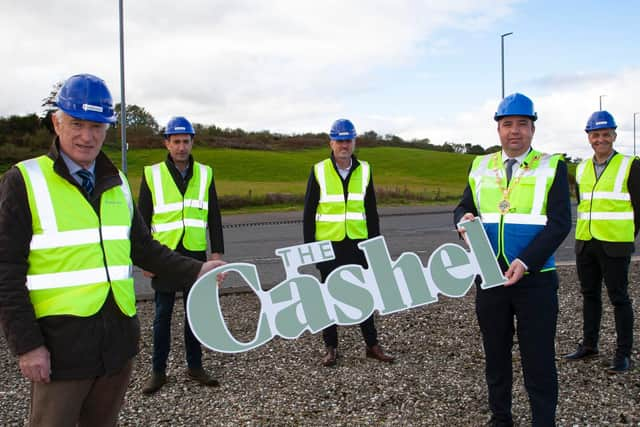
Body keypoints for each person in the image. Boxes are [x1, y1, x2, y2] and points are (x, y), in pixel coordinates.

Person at [0, 74, 224, 426]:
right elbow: (6, 270)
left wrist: (196, 270)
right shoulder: (25, 180)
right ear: (57, 122)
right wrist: (27, 345)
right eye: (76, 124)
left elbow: (143, 248)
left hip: (117, 344)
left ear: (108, 129)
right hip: (61, 348)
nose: (87, 136)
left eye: (96, 126)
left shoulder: (118, 183)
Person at [454, 93, 571, 426]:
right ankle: (500, 417)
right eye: (508, 124)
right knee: (495, 355)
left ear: (533, 129)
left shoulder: (553, 166)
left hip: (535, 279)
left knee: (539, 359)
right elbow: (464, 207)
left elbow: (560, 222)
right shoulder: (480, 165)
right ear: (498, 129)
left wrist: (525, 262)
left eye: (522, 124)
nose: (514, 131)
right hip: (490, 277)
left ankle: (542, 421)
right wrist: (462, 222)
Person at [138, 116, 224, 394]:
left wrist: (217, 253)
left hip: (196, 256)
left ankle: (195, 366)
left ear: (192, 142)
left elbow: (214, 217)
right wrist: (145, 260)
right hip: (163, 256)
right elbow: (142, 220)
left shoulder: (205, 173)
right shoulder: (152, 174)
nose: (181, 147)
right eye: (176, 141)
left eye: (186, 141)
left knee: (194, 314)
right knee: (162, 316)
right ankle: (158, 371)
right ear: (167, 142)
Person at [303, 118, 394, 367]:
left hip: (357, 243)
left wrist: (374, 247)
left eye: (348, 140)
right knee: (327, 296)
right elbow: (309, 212)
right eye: (340, 141)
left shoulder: (364, 169)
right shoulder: (319, 169)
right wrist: (310, 250)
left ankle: (372, 345)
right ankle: (331, 347)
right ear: (331, 143)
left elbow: (371, 211)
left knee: (363, 294)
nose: (344, 145)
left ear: (354, 142)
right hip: (328, 245)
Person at [563, 111, 638, 373]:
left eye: (606, 134)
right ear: (588, 137)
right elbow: (582, 202)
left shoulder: (631, 165)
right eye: (595, 135)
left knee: (619, 298)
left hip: (615, 242)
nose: (600, 139)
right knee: (589, 295)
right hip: (586, 241)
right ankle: (589, 345)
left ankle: (623, 353)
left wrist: (627, 236)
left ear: (614, 135)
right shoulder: (582, 167)